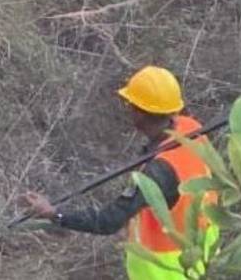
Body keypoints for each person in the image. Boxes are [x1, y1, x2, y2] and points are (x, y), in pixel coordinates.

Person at [23, 66, 219, 279]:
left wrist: (54, 213)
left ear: (139, 112)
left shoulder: (158, 172)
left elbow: (108, 221)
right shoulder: (192, 129)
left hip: (167, 270)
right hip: (205, 252)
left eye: (130, 105)